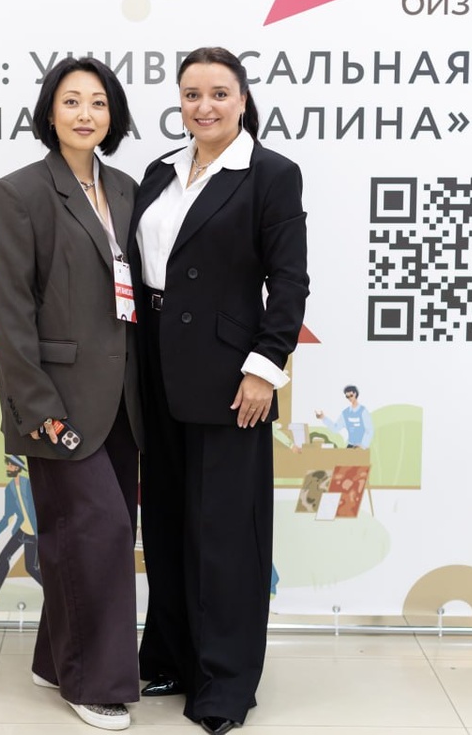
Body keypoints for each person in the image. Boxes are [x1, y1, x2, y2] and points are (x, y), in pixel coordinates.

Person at [128, 46, 309, 735]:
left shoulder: (271, 174)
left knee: (225, 534)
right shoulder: (161, 171)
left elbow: (288, 280)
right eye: (191, 94)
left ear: (242, 99)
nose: (204, 106)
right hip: (154, 363)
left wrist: (265, 367)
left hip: (232, 376)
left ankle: (225, 683)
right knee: (167, 520)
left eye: (219, 93)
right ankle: (170, 657)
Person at [0, 56, 144, 732]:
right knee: (98, 532)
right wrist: (38, 407)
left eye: (99, 102)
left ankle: (56, 658)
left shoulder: (128, 188)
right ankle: (94, 681)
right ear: (50, 112)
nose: (86, 113)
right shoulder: (19, 192)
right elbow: (10, 310)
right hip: (57, 399)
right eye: (72, 100)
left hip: (125, 399)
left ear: (113, 115)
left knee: (92, 534)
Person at [0, 455, 42, 612]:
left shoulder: (29, 484)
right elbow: (8, 516)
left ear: (17, 468)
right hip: (22, 530)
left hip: (34, 533)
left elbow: (39, 507)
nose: (8, 468)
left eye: (10, 465)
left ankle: (55, 592)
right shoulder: (10, 488)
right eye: (8, 465)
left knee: (31, 568)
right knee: (3, 557)